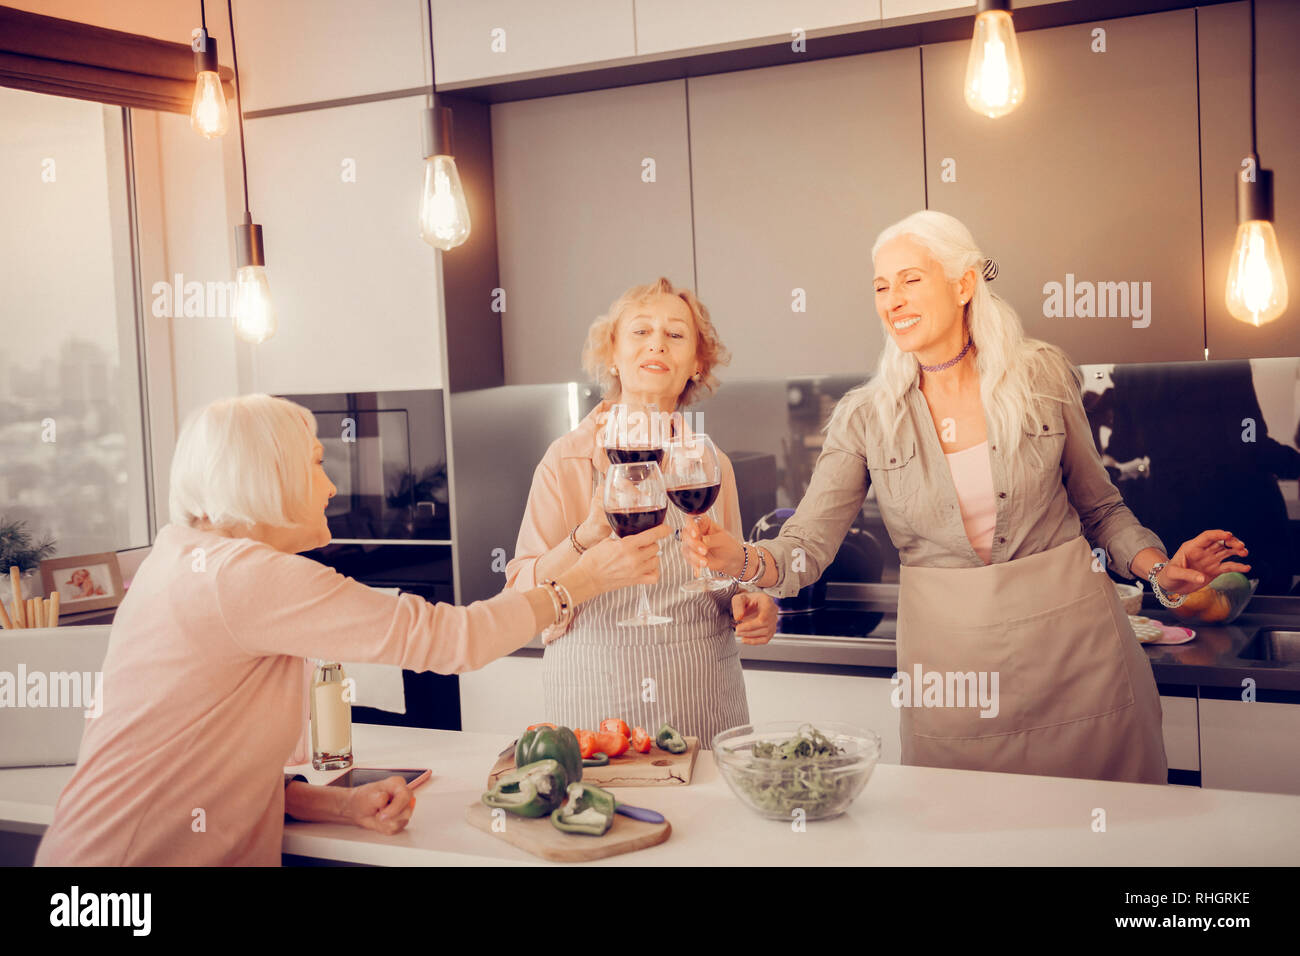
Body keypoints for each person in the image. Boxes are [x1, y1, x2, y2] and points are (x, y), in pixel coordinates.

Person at [682, 211, 1251, 784]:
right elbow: (805, 545)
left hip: (1079, 658)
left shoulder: (1041, 377)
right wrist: (743, 561)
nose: (892, 299)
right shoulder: (866, 417)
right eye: (881, 286)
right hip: (953, 678)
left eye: (910, 280)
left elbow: (1101, 508)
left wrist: (1159, 571)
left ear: (963, 283)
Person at [35, 394, 667, 865]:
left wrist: (337, 803)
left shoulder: (184, 559)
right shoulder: (242, 576)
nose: (332, 485)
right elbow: (453, 641)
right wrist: (581, 582)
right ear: (268, 475)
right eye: (314, 464)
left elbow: (211, 758)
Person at [506, 278, 778, 746]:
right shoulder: (567, 459)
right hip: (595, 701)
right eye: (640, 332)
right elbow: (518, 594)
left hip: (702, 700)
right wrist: (584, 538)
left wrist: (751, 602)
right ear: (612, 353)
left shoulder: (709, 464)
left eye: (675, 335)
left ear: (695, 364)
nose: (657, 343)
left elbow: (728, 576)